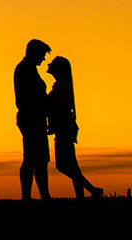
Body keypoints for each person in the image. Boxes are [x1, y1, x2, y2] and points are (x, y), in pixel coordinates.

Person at [46, 56, 104, 198]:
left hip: (64, 128)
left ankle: (92, 191)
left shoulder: (62, 86)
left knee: (63, 165)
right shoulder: (62, 85)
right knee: (72, 166)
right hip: (66, 128)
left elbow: (59, 108)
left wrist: (53, 124)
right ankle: (84, 195)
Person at [14, 38, 51, 199]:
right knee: (32, 157)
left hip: (35, 118)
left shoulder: (28, 69)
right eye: (42, 55)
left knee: (38, 158)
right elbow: (28, 98)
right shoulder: (24, 69)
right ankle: (29, 196)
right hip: (32, 119)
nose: (43, 59)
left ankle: (41, 194)